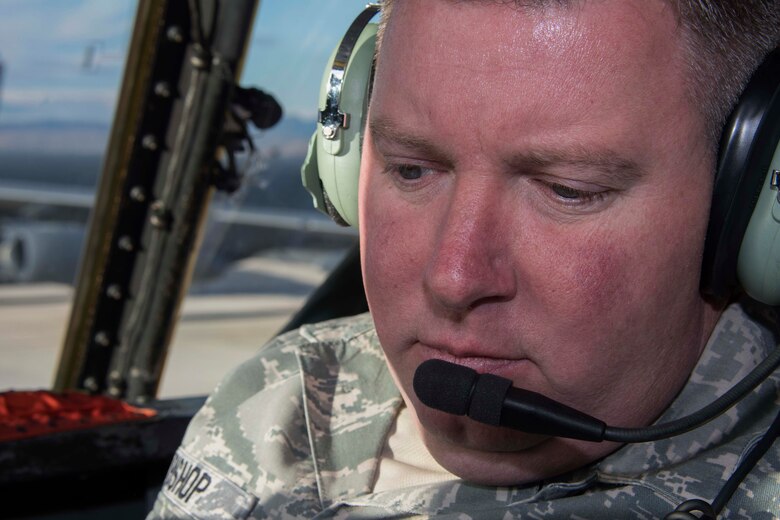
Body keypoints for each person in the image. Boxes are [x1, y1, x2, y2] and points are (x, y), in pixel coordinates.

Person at [148, 0, 780, 518]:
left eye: (569, 190)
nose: (453, 277)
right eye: (412, 170)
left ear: (747, 203)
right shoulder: (285, 399)